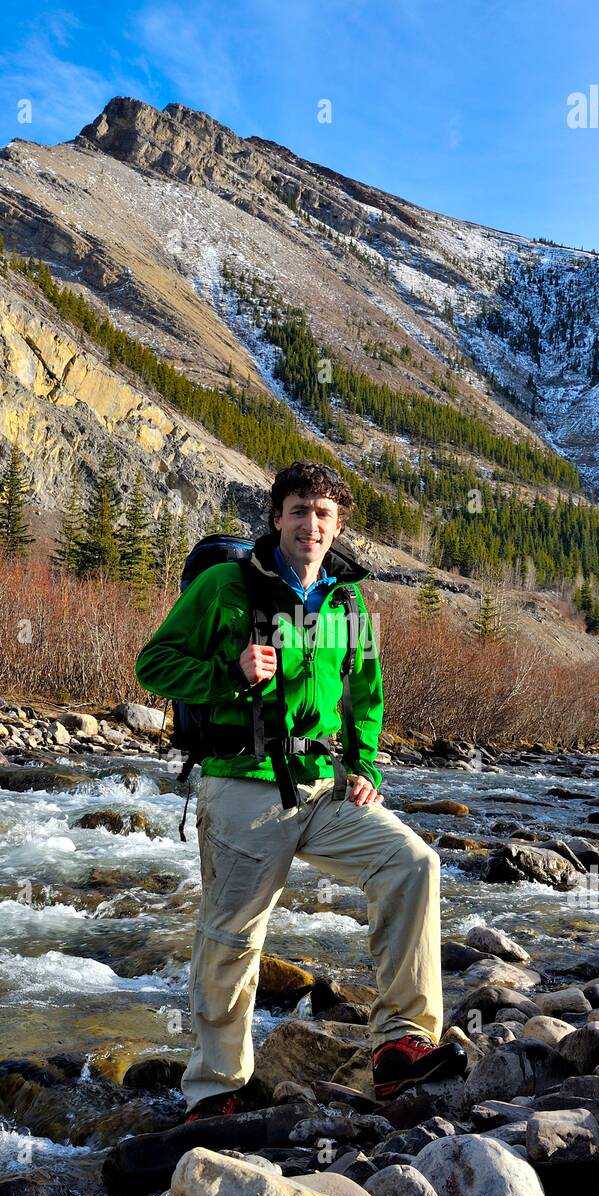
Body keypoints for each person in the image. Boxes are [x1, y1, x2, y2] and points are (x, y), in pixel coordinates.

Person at [135, 460, 466, 1118]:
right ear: (277, 518)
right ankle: (216, 1088)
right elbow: (155, 662)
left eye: (323, 513)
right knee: (233, 937)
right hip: (243, 782)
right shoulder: (227, 587)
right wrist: (229, 672)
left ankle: (400, 1046)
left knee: (412, 864)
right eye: (298, 510)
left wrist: (366, 768)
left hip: (322, 788)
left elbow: (367, 695)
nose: (310, 523)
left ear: (337, 524)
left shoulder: (348, 601)